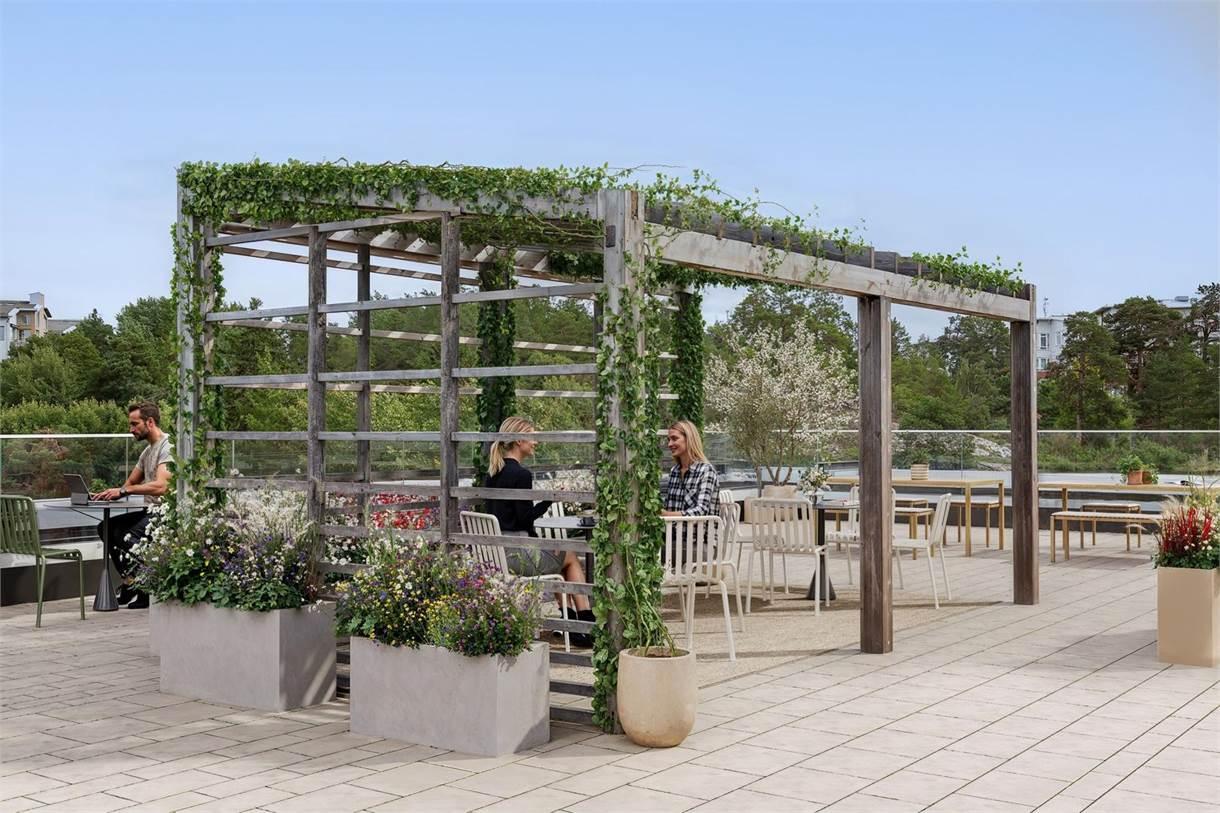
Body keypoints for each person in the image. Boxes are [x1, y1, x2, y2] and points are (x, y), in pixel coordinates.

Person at [484, 416, 594, 645]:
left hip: (496, 556)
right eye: (533, 437)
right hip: (518, 556)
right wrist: (548, 500)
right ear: (519, 440)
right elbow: (524, 520)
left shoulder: (493, 473)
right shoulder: (521, 474)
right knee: (570, 556)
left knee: (558, 554)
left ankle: (570, 622)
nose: (536, 442)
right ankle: (585, 620)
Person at [92, 401, 172, 609]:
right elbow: (129, 484)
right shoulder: (147, 452)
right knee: (106, 527)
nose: (131, 429)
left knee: (125, 534)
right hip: (150, 511)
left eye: (135, 424)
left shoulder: (167, 447)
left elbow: (162, 486)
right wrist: (107, 493)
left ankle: (147, 586)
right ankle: (130, 582)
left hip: (167, 512)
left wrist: (125, 491)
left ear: (150, 422)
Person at [661, 419, 720, 518]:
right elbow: (669, 506)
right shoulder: (674, 471)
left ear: (689, 439)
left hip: (700, 528)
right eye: (669, 440)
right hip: (673, 527)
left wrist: (666, 515)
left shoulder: (706, 471)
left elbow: (702, 511)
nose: (669, 444)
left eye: (674, 438)